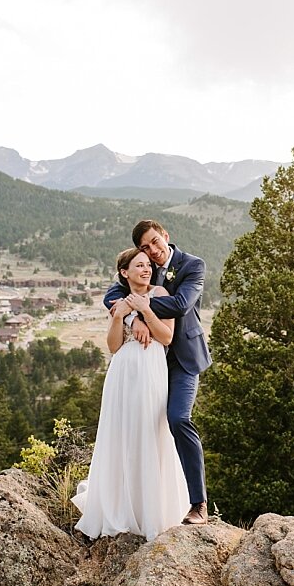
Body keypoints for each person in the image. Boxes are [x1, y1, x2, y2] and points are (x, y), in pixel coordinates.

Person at [103, 220, 213, 525]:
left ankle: (198, 503)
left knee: (178, 419)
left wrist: (139, 310)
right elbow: (113, 291)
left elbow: (180, 304)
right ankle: (136, 500)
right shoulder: (145, 266)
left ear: (166, 236)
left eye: (155, 242)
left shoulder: (192, 265)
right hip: (149, 363)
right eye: (145, 248)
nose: (152, 251)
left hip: (182, 360)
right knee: (140, 426)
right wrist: (130, 320)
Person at [74, 249, 189, 540]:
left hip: (152, 370)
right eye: (139, 265)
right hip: (123, 373)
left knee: (151, 432)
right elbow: (113, 346)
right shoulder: (118, 301)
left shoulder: (161, 292)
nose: (146, 269)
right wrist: (122, 317)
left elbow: (166, 337)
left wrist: (145, 310)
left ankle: (152, 510)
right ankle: (120, 506)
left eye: (148, 265)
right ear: (125, 273)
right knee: (122, 433)